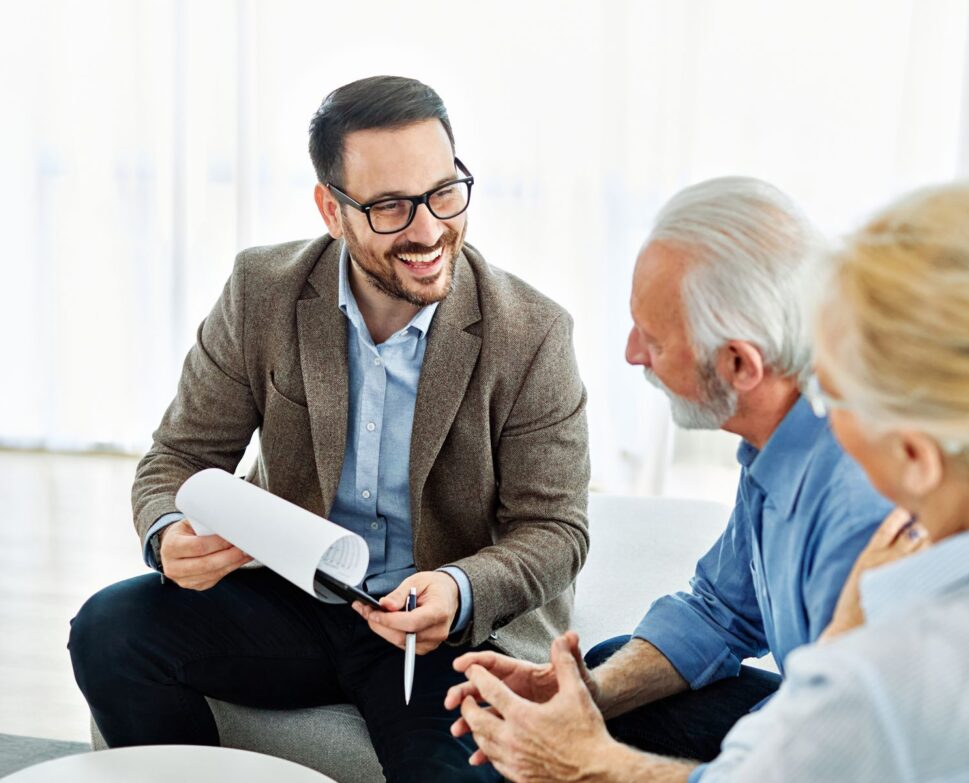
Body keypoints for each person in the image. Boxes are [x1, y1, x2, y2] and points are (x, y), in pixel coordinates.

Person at [68, 75, 590, 783]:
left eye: (444, 191)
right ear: (331, 210)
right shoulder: (263, 290)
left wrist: (458, 588)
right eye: (390, 207)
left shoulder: (531, 332)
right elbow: (179, 457)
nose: (430, 230)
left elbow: (556, 529)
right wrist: (168, 535)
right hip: (294, 598)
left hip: (436, 630)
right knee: (109, 629)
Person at [444, 176, 892, 780]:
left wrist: (586, 763)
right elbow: (721, 611)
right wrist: (578, 694)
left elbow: (836, 765)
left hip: (852, 756)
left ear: (739, 363)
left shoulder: (860, 506)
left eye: (652, 338)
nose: (632, 353)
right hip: (814, 714)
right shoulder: (782, 434)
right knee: (611, 665)